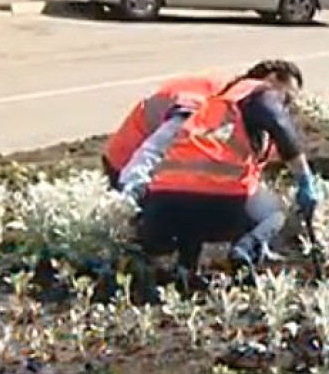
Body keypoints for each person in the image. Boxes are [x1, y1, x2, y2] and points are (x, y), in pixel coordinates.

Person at [117, 59, 318, 283]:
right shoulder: (259, 92)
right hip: (219, 203)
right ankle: (244, 252)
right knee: (275, 212)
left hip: (164, 206)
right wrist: (304, 179)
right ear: (272, 79)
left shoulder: (212, 109)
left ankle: (186, 271)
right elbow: (277, 121)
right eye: (287, 98)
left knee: (192, 211)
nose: (286, 106)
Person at [102, 75, 227, 190]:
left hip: (149, 142)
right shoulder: (191, 110)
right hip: (124, 160)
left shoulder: (224, 96)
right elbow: (149, 154)